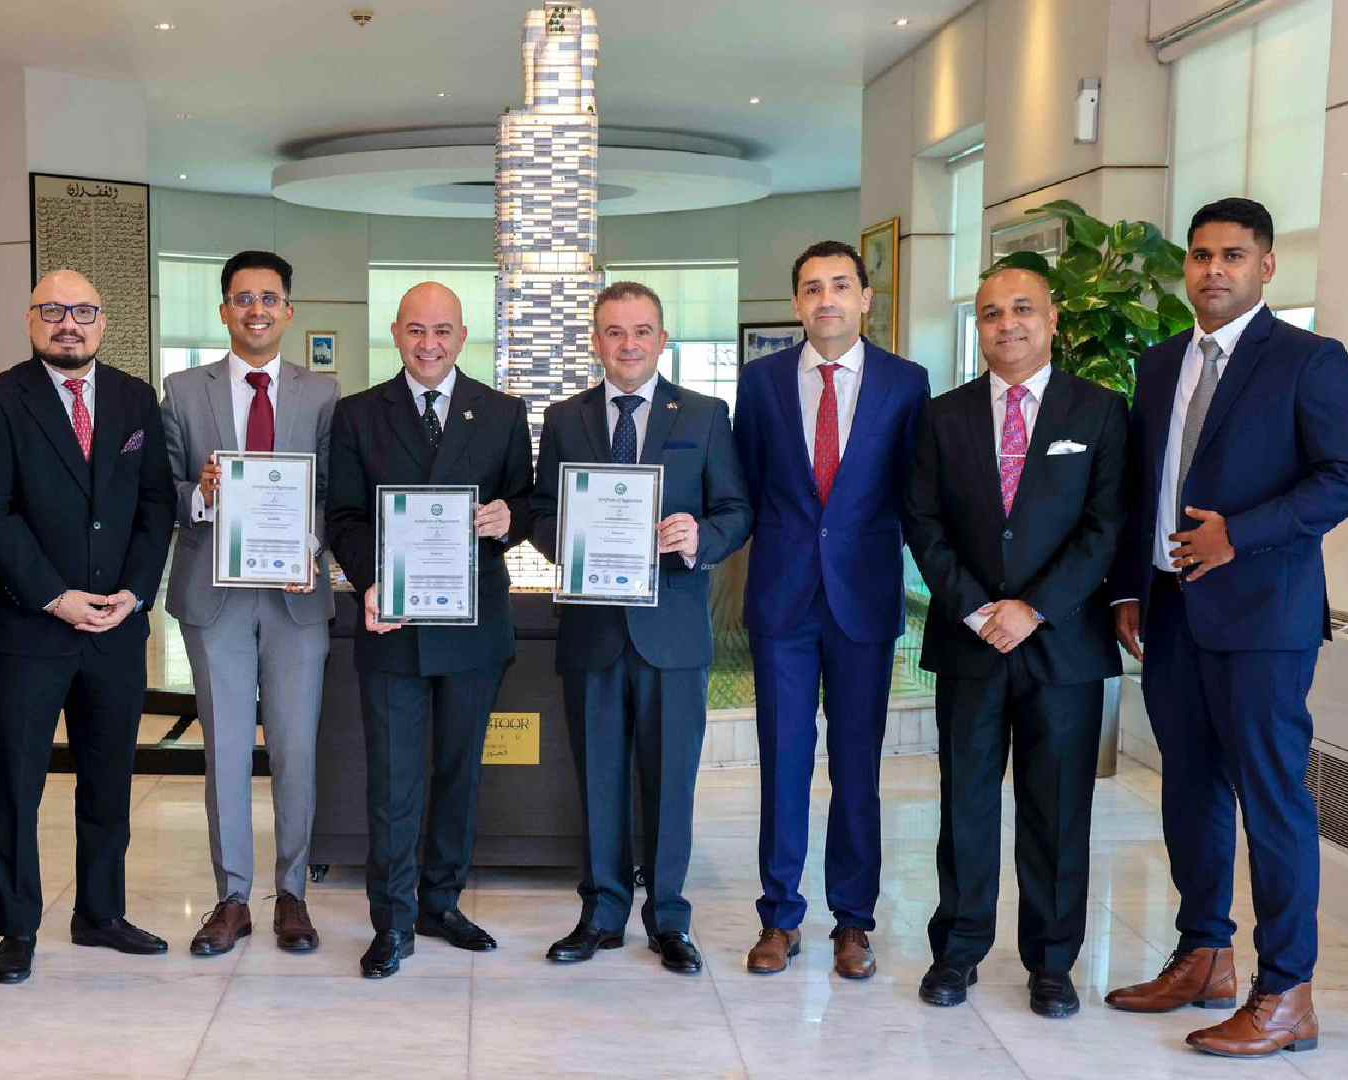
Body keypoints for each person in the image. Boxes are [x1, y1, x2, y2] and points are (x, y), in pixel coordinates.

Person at [1104, 198, 1348, 1057]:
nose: (1213, 269)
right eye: (1200, 255)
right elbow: (1140, 487)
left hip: (1264, 616)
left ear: (1265, 267)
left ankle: (1287, 991)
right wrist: (1127, 589)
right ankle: (1205, 955)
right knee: (1188, 791)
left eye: (1232, 255)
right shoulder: (1157, 365)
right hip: (1172, 611)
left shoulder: (1306, 360)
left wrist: (1240, 535)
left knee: (1272, 803)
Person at [904, 268, 1127, 1017]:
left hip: (1060, 645)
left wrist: (1032, 608)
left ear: (1053, 319)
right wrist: (976, 609)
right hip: (970, 644)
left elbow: (1106, 529)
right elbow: (924, 526)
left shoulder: (1099, 411)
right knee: (965, 803)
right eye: (992, 314)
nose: (1007, 325)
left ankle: (1052, 963)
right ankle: (958, 951)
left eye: (1023, 310)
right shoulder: (943, 417)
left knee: (1057, 810)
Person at [0, 269, 177, 984]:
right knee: (17, 783)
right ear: (30, 321)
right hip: (26, 628)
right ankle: (17, 927)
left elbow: (154, 509)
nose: (68, 324)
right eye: (53, 311)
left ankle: (100, 913)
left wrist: (134, 594)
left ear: (103, 322)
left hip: (115, 625)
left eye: (83, 310)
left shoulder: (135, 399)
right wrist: (55, 596)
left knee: (108, 778)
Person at [530, 282, 750, 975]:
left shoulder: (707, 414)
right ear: (596, 341)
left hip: (673, 631)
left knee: (670, 780)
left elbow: (738, 511)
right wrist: (566, 538)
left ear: (663, 339)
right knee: (598, 777)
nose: (629, 344)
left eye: (642, 331)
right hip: (593, 630)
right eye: (615, 332)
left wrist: (698, 537)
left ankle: (670, 919)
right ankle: (600, 913)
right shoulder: (565, 418)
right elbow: (540, 508)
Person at [733, 240, 929, 978]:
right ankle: (779, 917)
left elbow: (916, 496)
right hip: (783, 600)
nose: (826, 300)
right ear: (795, 304)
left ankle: (854, 921)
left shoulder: (907, 384)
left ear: (866, 298)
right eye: (811, 287)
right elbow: (744, 488)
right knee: (783, 764)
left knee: (858, 768)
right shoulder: (759, 384)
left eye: (840, 286)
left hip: (864, 600)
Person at [326, 282, 534, 978]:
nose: (429, 343)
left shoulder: (502, 412)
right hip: (394, 623)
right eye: (416, 330)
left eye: (442, 330)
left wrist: (512, 520)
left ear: (463, 336)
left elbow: (526, 499)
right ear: (395, 333)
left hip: (474, 628)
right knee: (393, 780)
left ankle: (442, 900)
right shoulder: (357, 415)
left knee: (458, 773)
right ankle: (393, 919)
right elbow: (345, 516)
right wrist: (369, 579)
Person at [161, 251, 339, 955]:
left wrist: (312, 547)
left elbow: (333, 493)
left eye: (269, 298)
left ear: (288, 311)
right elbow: (163, 489)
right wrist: (203, 493)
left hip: (296, 599)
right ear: (224, 310)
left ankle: (291, 892)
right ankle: (231, 896)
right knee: (226, 751)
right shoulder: (182, 390)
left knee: (296, 749)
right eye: (242, 298)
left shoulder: (322, 394)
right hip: (215, 598)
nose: (255, 310)